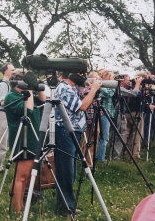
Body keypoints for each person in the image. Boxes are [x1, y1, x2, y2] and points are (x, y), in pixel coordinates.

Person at [54, 72, 101, 215]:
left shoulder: (73, 87)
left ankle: (64, 201)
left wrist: (92, 93)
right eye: (80, 73)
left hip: (74, 131)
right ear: (71, 73)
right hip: (65, 132)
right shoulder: (64, 88)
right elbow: (81, 107)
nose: (82, 76)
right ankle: (66, 207)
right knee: (66, 170)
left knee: (70, 170)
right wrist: (93, 90)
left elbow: (84, 103)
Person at [4, 69, 46, 214]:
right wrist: (29, 89)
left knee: (25, 175)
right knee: (21, 176)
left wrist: (38, 85)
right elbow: (27, 109)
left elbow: (43, 99)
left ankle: (17, 202)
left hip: (31, 139)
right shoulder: (12, 96)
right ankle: (18, 209)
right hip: (22, 140)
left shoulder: (26, 94)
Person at [0, 62, 15, 174]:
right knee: (1, 143)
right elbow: (2, 102)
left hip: (6, 115)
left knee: (5, 143)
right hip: (2, 115)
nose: (14, 72)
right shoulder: (3, 85)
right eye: (12, 70)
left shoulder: (9, 84)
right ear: (5, 71)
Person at [112, 74, 143, 160]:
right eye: (127, 80)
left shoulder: (122, 89)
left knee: (121, 134)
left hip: (122, 113)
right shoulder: (119, 88)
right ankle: (115, 157)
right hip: (118, 113)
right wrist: (137, 84)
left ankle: (116, 155)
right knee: (119, 135)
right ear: (121, 81)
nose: (129, 82)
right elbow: (134, 94)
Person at [96, 69, 116, 162]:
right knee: (104, 137)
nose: (112, 78)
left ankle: (98, 156)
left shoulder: (104, 86)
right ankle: (100, 158)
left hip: (106, 112)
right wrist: (112, 81)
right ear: (105, 76)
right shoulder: (101, 85)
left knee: (103, 136)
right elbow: (110, 94)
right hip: (103, 112)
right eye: (110, 76)